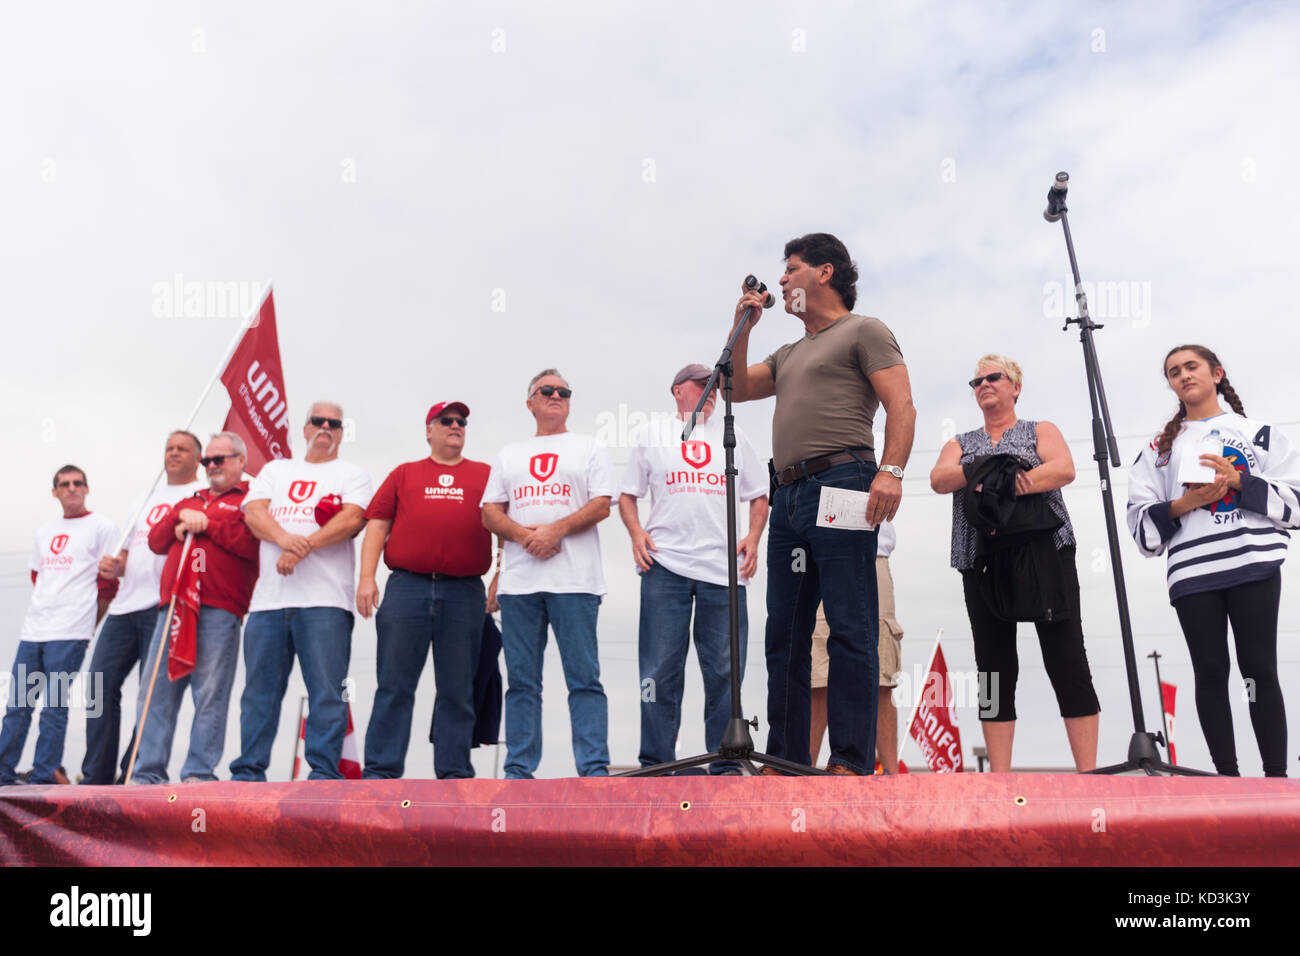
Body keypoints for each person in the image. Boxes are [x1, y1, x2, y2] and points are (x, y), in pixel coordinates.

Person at [728, 233, 915, 775]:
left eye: (790, 269)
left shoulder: (864, 330)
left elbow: (902, 406)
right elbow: (737, 388)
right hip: (788, 495)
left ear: (824, 272)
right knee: (783, 631)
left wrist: (892, 471)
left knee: (851, 624)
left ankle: (850, 762)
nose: (781, 280)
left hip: (846, 481)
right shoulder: (786, 353)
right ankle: (785, 760)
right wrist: (742, 326)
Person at [1127, 344, 1299, 777]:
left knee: (1258, 668)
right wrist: (1186, 503)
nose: (1183, 376)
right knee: (1209, 670)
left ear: (1216, 373)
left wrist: (1238, 481)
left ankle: (1275, 779)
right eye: (1173, 372)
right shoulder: (1157, 448)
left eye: (1191, 366)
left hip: (1253, 563)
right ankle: (1227, 778)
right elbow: (1140, 525)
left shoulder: (1258, 432)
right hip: (1193, 573)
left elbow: (1296, 501)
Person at [929, 354, 1099, 773]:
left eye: (993, 377)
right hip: (981, 558)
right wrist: (997, 470)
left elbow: (1063, 469)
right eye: (976, 381)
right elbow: (939, 479)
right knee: (992, 667)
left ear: (1015, 387)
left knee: (1067, 657)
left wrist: (997, 483)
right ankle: (1000, 778)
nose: (983, 384)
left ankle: (1088, 774)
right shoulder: (961, 442)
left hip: (1046, 552)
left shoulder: (1039, 430)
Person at [619, 363, 769, 772]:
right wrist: (636, 534)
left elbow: (759, 494)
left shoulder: (733, 437)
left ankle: (724, 763)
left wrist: (753, 538)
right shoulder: (652, 435)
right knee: (660, 669)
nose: (711, 392)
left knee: (724, 670)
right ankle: (658, 763)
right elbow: (627, 495)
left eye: (715, 387)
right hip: (665, 565)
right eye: (701, 386)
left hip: (723, 571)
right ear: (677, 391)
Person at [481, 369, 614, 778]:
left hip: (575, 583)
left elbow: (602, 504)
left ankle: (593, 769)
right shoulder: (510, 453)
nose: (557, 395)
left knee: (584, 678)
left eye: (564, 391)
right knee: (522, 682)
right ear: (530, 403)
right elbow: (489, 511)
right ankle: (519, 770)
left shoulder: (588, 448)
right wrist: (525, 536)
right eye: (547, 390)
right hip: (522, 585)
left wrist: (555, 530)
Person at [231, 402, 372, 781]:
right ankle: (249, 773)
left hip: (325, 602)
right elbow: (254, 513)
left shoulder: (352, 474)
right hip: (269, 602)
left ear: (342, 432)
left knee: (327, 692)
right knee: (259, 693)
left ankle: (324, 775)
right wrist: (287, 541)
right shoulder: (276, 470)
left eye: (335, 423)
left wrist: (301, 548)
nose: (326, 427)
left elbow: (352, 519)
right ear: (305, 428)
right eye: (318, 421)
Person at [357, 401, 493, 779]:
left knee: (457, 689)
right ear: (428, 430)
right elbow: (378, 525)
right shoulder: (405, 474)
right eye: (446, 421)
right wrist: (367, 578)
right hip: (406, 587)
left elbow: (503, 526)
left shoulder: (485, 474)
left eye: (461, 421)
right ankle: (381, 771)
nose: (455, 426)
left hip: (465, 591)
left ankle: (453, 773)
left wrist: (500, 576)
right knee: (394, 685)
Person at [128, 433, 259, 784]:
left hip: (219, 607)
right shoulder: (190, 499)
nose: (212, 466)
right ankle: (147, 773)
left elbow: (250, 544)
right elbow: (156, 542)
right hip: (173, 607)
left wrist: (208, 525)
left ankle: (198, 774)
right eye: (208, 461)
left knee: (211, 691)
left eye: (221, 459)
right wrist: (178, 519)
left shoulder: (252, 499)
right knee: (155, 691)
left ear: (241, 461)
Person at [82, 430, 205, 785]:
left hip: (163, 605)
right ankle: (96, 775)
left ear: (197, 458)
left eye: (182, 449)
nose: (174, 453)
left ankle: (133, 772)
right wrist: (114, 567)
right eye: (169, 448)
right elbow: (126, 554)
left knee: (151, 693)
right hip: (124, 606)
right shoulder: (144, 496)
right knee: (98, 686)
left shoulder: (197, 496)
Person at [0, 466, 118, 786]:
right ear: (54, 492)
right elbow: (38, 576)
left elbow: (109, 584)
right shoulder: (44, 532)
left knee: (53, 707)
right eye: (64, 484)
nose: (71, 489)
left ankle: (43, 775)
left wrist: (88, 624)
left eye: (78, 483)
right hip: (33, 631)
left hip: (70, 632)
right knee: (17, 706)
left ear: (87, 488)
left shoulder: (103, 526)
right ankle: (3, 773)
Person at [809, 519, 902, 772]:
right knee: (818, 678)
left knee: (881, 677)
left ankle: (892, 781)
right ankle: (800, 779)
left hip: (872, 553)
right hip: (819, 553)